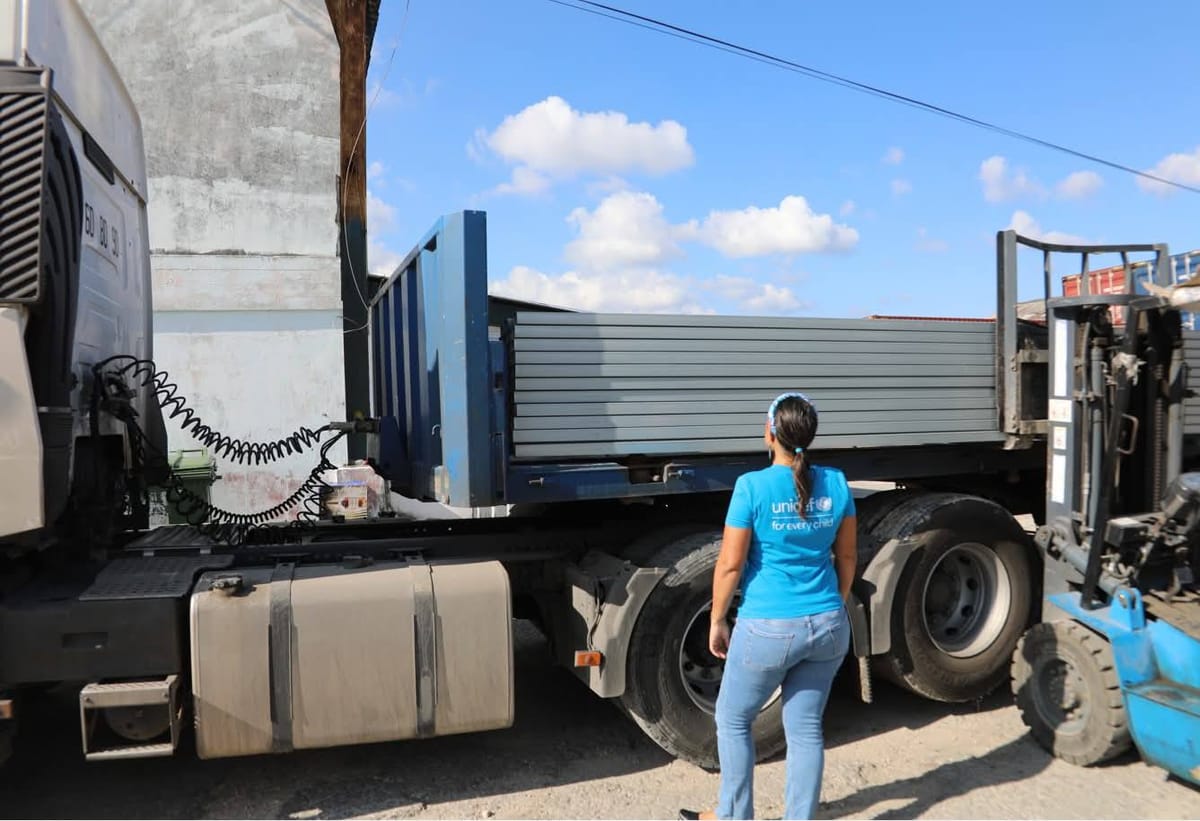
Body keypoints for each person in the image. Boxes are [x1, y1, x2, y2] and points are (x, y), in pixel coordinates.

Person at [680, 392, 857, 821]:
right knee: (805, 729)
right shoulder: (836, 482)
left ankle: (732, 816)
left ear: (769, 433)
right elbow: (848, 557)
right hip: (829, 623)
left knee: (734, 719)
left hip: (768, 629)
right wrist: (836, 604)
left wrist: (717, 619)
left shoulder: (752, 487)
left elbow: (729, 565)